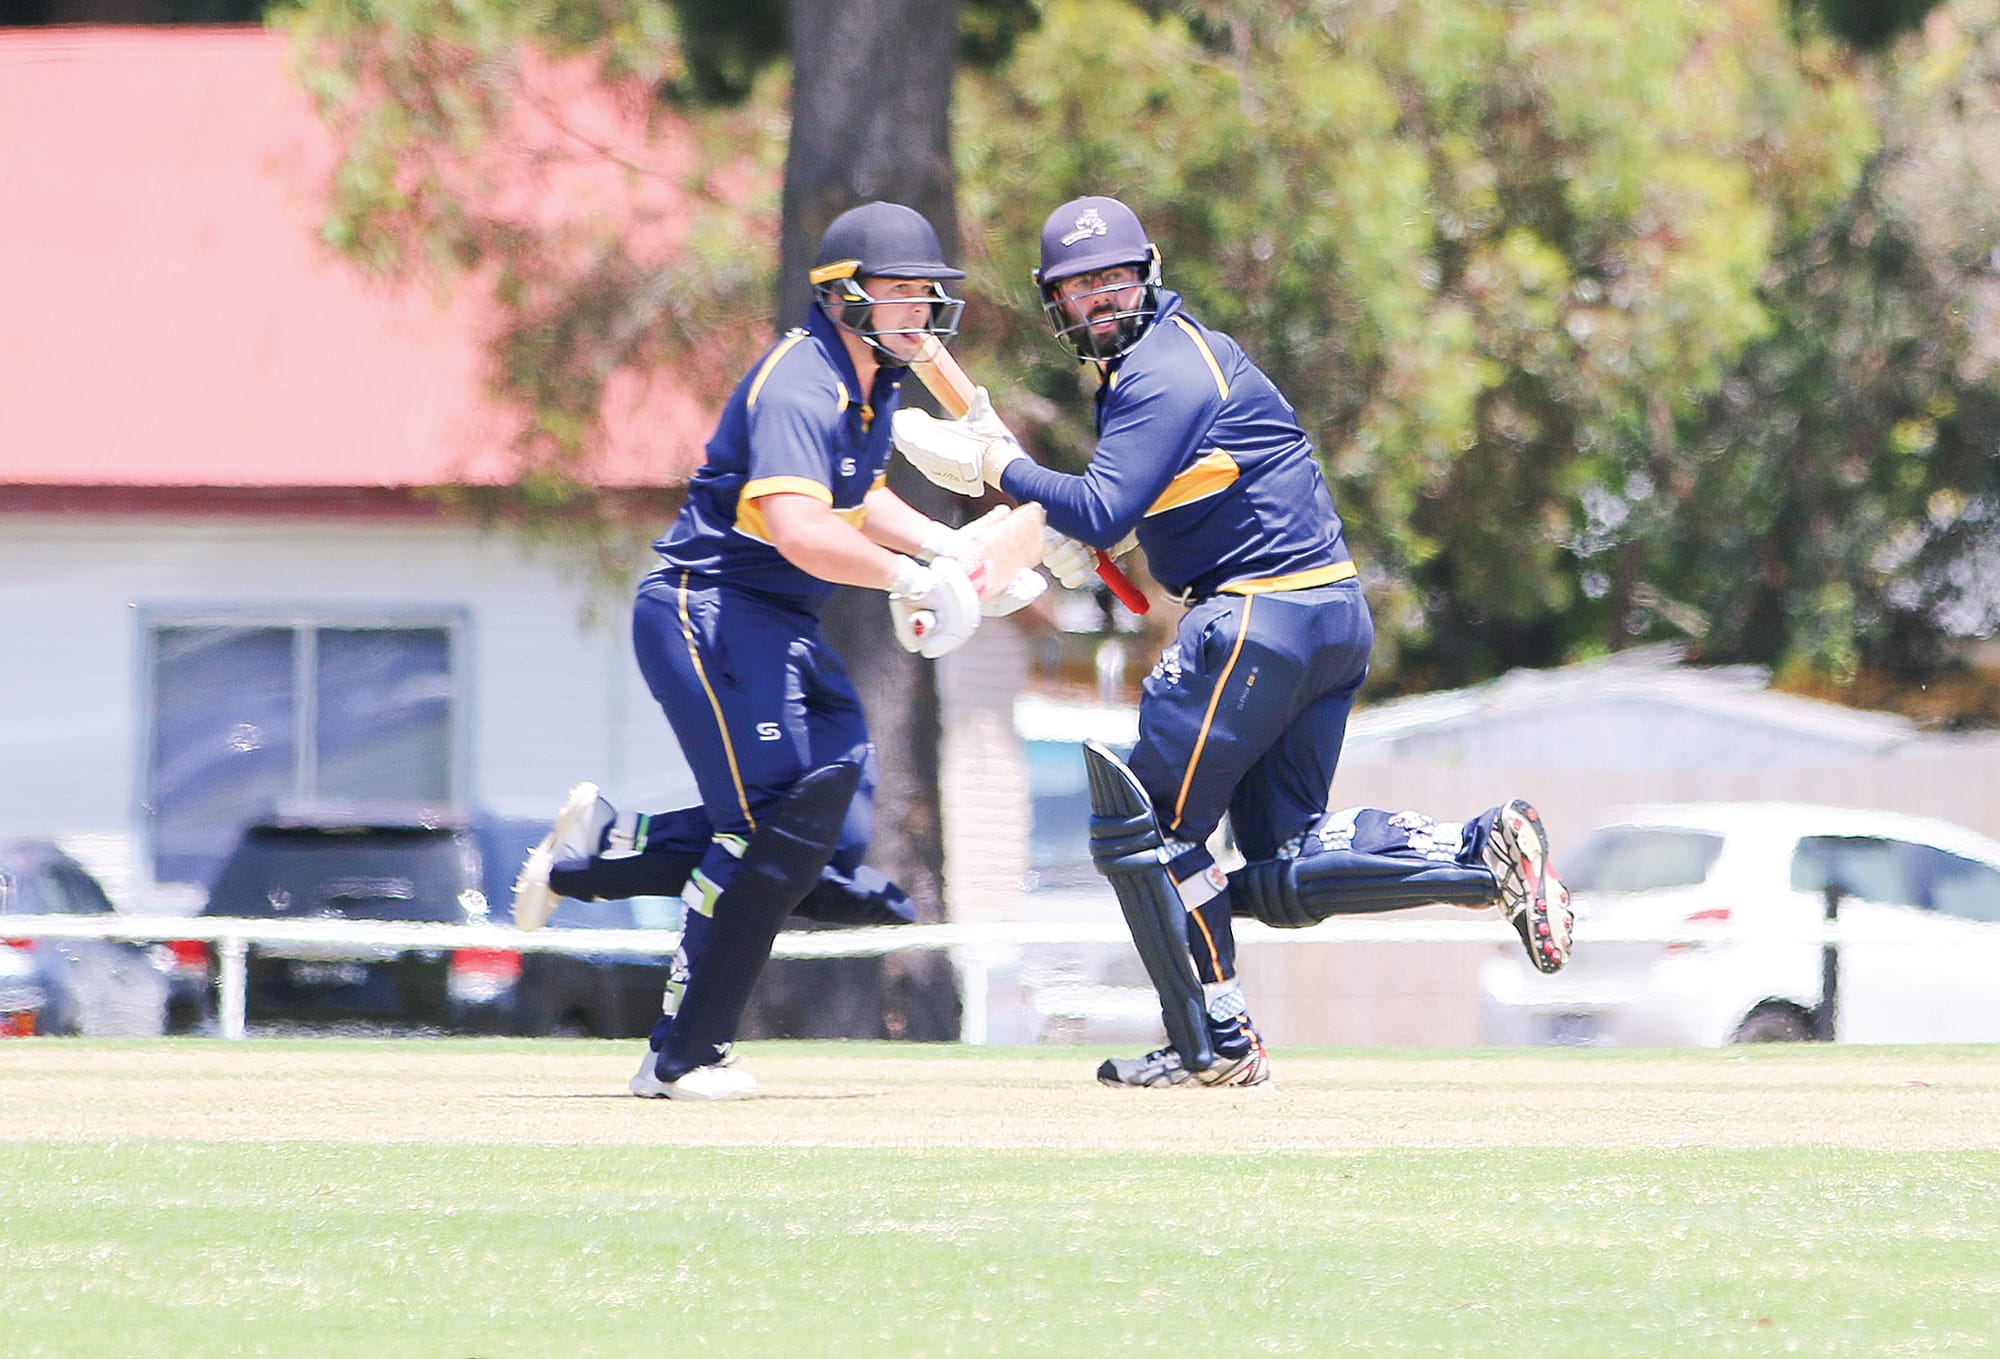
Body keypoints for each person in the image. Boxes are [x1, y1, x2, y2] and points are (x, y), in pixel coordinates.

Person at [892, 195, 1574, 1089]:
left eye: (1113, 279)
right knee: (1282, 864)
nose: (1100, 299)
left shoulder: (1158, 371)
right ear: (1053, 301)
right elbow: (1163, 501)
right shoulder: (1185, 359)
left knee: (1146, 830)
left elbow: (1103, 503)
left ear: (1148, 273)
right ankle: (1482, 854)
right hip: (1324, 611)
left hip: (1255, 617)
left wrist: (1000, 469)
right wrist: (1077, 535)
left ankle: (1213, 1042)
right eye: (1079, 287)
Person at [523, 200, 1039, 1101]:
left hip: (780, 623)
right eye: (902, 294)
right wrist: (911, 581)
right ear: (844, 296)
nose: (921, 311)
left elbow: (857, 496)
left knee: (828, 838)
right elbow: (802, 530)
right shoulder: (803, 382)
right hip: (710, 610)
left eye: (929, 294)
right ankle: (678, 1056)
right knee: (763, 832)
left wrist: (944, 548)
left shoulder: (871, 382)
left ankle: (608, 846)